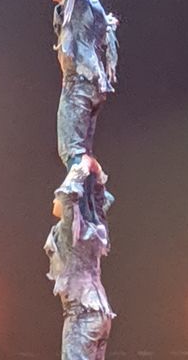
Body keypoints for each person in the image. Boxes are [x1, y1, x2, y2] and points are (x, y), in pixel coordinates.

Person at [51, 0, 118, 169]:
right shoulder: (85, 9)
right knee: (83, 151)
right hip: (91, 83)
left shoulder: (79, 2)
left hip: (79, 80)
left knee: (71, 151)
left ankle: (70, 200)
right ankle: (92, 193)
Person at [45, 154, 114, 360]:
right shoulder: (94, 227)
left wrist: (83, 167)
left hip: (81, 314)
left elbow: (68, 195)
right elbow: (100, 204)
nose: (54, 199)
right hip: (99, 315)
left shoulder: (70, 230)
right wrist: (98, 174)